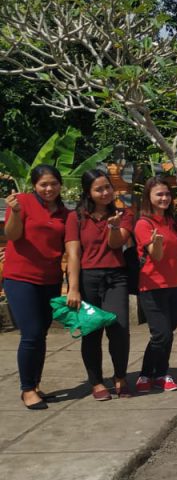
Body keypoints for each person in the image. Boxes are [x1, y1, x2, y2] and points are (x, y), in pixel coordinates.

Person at [3, 165, 70, 409]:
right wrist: (15, 212)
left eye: (53, 183)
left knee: (40, 335)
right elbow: (12, 235)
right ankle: (27, 389)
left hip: (50, 279)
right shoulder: (21, 202)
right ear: (35, 186)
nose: (49, 188)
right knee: (30, 334)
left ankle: (36, 384)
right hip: (21, 278)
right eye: (43, 184)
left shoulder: (64, 212)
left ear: (60, 184)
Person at [65, 169, 133, 400]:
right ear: (88, 192)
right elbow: (73, 254)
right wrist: (73, 288)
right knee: (92, 332)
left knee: (120, 329)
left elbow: (117, 244)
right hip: (88, 278)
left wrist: (113, 226)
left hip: (116, 277)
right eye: (99, 189)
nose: (105, 193)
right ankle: (96, 382)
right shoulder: (76, 218)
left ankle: (120, 376)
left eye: (107, 187)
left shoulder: (124, 214)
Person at [133, 177, 177, 393]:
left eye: (167, 194)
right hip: (152, 286)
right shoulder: (144, 223)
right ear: (149, 198)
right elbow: (156, 256)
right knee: (162, 334)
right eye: (159, 195)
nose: (164, 198)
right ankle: (148, 374)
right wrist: (156, 243)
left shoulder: (172, 221)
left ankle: (158, 374)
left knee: (167, 332)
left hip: (175, 284)